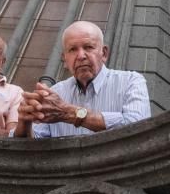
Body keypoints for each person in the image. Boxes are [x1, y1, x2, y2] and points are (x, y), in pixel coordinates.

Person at [13, 21, 150, 138]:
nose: (81, 56)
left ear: (104, 53)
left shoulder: (130, 81)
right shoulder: (55, 93)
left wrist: (68, 112)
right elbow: (35, 142)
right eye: (72, 50)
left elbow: (138, 127)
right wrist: (25, 122)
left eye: (88, 47)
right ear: (65, 60)